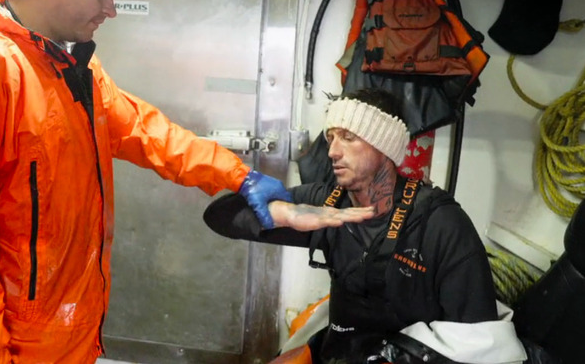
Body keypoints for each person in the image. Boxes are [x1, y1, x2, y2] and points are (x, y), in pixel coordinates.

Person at [0, 0, 292, 362]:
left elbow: (143, 130)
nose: (111, 10)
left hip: (60, 341)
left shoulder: (66, 61)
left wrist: (238, 174)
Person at [203, 88, 527, 364]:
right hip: (339, 352)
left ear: (383, 145)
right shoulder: (326, 201)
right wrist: (283, 214)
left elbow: (481, 341)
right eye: (331, 138)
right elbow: (219, 217)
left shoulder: (440, 224)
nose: (332, 151)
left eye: (348, 137)